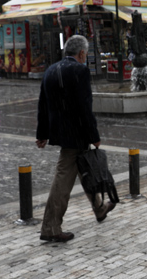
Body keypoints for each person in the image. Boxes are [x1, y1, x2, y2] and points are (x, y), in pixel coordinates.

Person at [36, 35, 113, 242]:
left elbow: (43, 104)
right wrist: (93, 136)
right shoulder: (80, 70)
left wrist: (42, 134)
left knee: (84, 168)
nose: (85, 58)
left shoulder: (50, 70)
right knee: (63, 177)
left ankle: (99, 209)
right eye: (86, 55)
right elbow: (84, 107)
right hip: (76, 133)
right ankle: (51, 227)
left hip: (60, 131)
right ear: (81, 54)